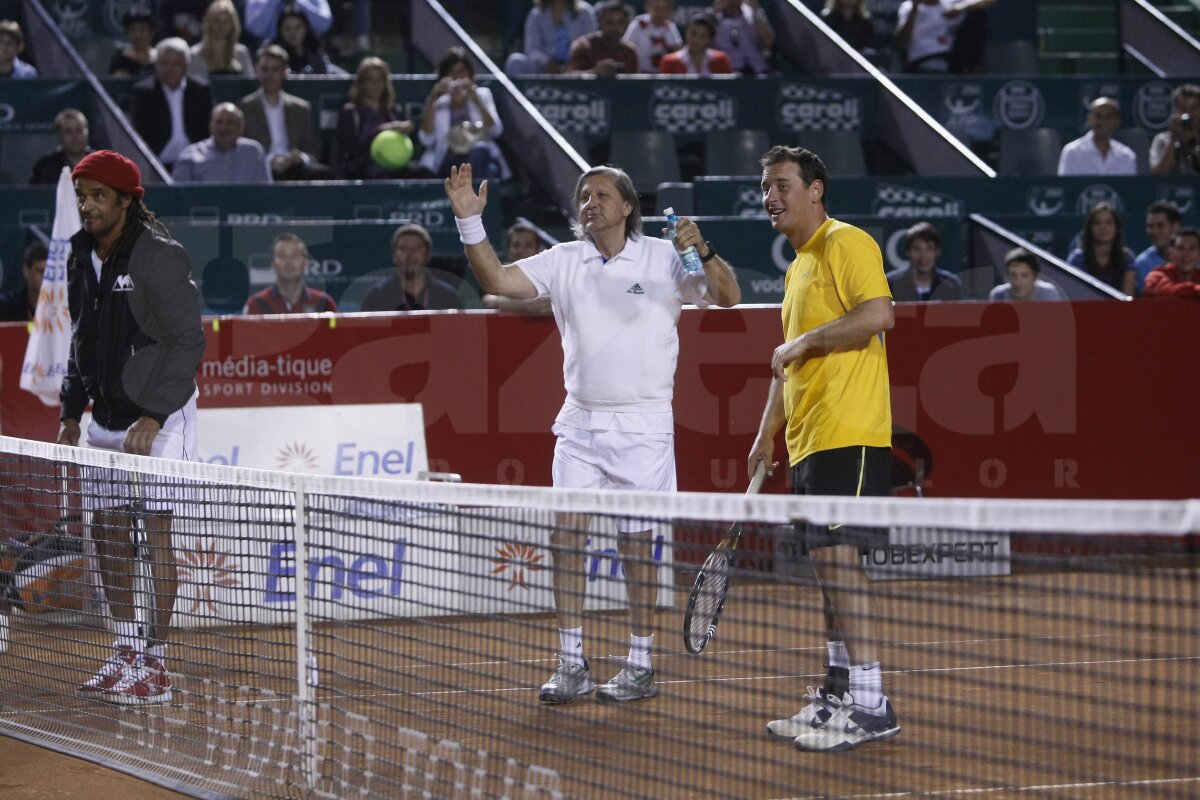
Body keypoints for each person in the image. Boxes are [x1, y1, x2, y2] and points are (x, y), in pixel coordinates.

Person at [445, 161, 741, 705]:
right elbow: (497, 281)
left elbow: (727, 296)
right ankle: (571, 661)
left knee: (637, 546)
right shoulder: (564, 259)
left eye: (602, 194)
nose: (590, 202)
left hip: (643, 425)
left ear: (627, 206)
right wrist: (470, 221)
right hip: (579, 421)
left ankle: (640, 663)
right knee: (566, 536)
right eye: (584, 195)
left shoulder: (665, 255)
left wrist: (703, 249)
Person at [746, 145, 898, 752]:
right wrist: (766, 432)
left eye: (781, 185)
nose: (770, 196)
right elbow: (787, 361)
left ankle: (871, 703)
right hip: (808, 437)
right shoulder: (798, 268)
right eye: (765, 187)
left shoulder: (845, 242)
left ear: (816, 190)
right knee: (825, 566)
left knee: (839, 561)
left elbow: (879, 314)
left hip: (849, 430)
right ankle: (837, 694)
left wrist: (805, 340)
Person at [58, 150, 206, 705]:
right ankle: (124, 650)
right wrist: (70, 412)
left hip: (160, 419)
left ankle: (156, 664)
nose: (88, 206)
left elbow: (187, 341)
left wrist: (155, 414)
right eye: (82, 196)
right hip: (105, 417)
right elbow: (80, 340)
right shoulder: (79, 257)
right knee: (109, 530)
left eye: (98, 195)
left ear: (126, 200)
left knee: (157, 532)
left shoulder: (159, 255)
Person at [238, 44, 333, 181]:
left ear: (284, 72)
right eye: (265, 69)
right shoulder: (245, 106)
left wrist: (299, 157)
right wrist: (270, 160)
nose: (269, 75)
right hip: (262, 166)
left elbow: (311, 148)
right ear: (257, 70)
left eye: (275, 70)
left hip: (294, 166)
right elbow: (242, 148)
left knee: (323, 174)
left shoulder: (301, 108)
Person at [416, 47, 509, 181]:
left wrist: (476, 100)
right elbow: (426, 139)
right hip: (449, 159)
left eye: (461, 72)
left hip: (477, 157)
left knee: (484, 159)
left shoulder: (482, 95)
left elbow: (496, 131)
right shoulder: (438, 101)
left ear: (469, 74)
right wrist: (432, 98)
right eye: (451, 73)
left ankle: (474, 194)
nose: (457, 78)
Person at [129, 37, 214, 169]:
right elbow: (140, 132)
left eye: (176, 64)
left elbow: (207, 130)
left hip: (196, 164)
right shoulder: (144, 92)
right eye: (164, 64)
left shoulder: (200, 90)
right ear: (156, 65)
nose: (170, 69)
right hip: (156, 165)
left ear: (186, 66)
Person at [335, 57, 418, 180]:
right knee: (379, 173)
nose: (376, 85)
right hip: (362, 166)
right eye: (370, 80)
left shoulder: (391, 111)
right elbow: (353, 148)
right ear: (362, 83)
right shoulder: (350, 112)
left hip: (394, 162)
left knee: (421, 171)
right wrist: (382, 129)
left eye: (379, 80)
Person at [360, 224, 464, 312]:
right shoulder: (376, 298)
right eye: (404, 248)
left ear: (428, 255)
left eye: (417, 248)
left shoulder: (448, 297)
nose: (411, 254)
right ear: (394, 256)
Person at [172, 103, 272, 183]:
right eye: (219, 122)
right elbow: (179, 196)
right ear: (210, 126)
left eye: (230, 122)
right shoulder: (190, 156)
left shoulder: (253, 153)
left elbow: (266, 193)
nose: (224, 128)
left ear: (240, 127)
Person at [243, 232, 337, 314]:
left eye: (295, 255)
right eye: (282, 255)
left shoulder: (324, 303)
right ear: (273, 264)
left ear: (305, 263)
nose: (289, 261)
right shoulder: (255, 305)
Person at [895, 0, 996, 73]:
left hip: (949, 60)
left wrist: (961, 8)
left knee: (976, 15)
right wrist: (914, 10)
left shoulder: (950, 5)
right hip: (920, 63)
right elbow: (901, 42)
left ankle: (973, 67)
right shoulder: (908, 7)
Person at [504, 0, 597, 76]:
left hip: (577, 68)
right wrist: (548, 63)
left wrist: (572, 64)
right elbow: (531, 49)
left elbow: (590, 44)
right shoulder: (535, 14)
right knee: (515, 61)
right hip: (544, 68)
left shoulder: (585, 12)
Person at [1065, 202, 1136, 295]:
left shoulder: (1126, 258)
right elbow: (1073, 295)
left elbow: (1127, 298)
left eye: (1108, 222)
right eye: (1097, 222)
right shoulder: (1077, 259)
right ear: (1090, 228)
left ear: (1116, 228)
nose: (1103, 227)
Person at [483, 221, 552, 314]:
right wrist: (526, 306)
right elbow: (489, 300)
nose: (521, 250)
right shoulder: (501, 275)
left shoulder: (550, 275)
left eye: (528, 245)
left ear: (539, 250)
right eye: (516, 245)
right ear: (509, 250)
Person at [1057, 97, 1137, 177]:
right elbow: (1066, 183)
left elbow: (1129, 184)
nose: (1102, 121)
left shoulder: (1126, 155)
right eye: (1098, 116)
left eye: (1108, 117)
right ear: (1089, 119)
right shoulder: (1072, 152)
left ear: (1117, 121)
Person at [885, 221, 962, 301]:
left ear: (937, 251)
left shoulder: (950, 284)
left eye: (929, 248)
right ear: (908, 252)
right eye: (917, 248)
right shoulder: (891, 283)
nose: (923, 255)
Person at [566, 0, 638, 77]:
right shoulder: (583, 47)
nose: (615, 27)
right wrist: (595, 72)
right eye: (609, 22)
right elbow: (569, 76)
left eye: (620, 22)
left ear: (626, 24)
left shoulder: (629, 51)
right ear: (600, 21)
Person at [267, 4, 342, 76]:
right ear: (280, 30)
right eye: (287, 28)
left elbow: (325, 76)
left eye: (297, 27)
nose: (292, 32)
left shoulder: (315, 50)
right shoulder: (274, 55)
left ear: (305, 29)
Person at [188, 0, 254, 78]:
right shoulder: (194, 54)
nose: (221, 25)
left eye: (226, 21)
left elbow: (249, 81)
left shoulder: (241, 52)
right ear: (209, 23)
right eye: (217, 20)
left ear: (233, 25)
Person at [30, 109, 94, 185]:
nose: (75, 136)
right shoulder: (45, 167)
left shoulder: (101, 163)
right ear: (59, 137)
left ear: (87, 132)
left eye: (79, 130)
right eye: (68, 131)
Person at [710, 0, 775, 75]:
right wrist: (713, 13)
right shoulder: (713, 17)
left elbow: (769, 42)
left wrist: (756, 11)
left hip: (758, 70)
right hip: (728, 72)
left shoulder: (752, 13)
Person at [1133, 201, 1183, 295]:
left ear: (1175, 227)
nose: (1154, 231)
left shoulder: (1194, 259)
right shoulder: (1142, 263)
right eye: (1150, 226)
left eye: (1160, 225)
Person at [1150, 83, 1200, 176]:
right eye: (1183, 109)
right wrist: (1173, 138)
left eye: (1193, 108)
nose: (1189, 113)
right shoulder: (1162, 140)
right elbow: (1158, 174)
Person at [659, 13, 733, 75]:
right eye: (693, 33)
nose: (695, 39)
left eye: (702, 36)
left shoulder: (721, 60)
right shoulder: (669, 62)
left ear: (709, 40)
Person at [625, 0, 682, 73]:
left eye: (665, 9)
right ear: (648, 7)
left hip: (663, 74)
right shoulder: (638, 24)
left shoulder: (670, 26)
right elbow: (626, 47)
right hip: (639, 73)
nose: (661, 13)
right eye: (657, 8)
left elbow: (678, 51)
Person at [988, 247, 1064, 301]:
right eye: (1013, 274)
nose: (1018, 281)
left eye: (1024, 275)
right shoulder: (998, 294)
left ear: (1035, 277)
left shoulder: (1048, 293)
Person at [1144, 228, 1200, 300]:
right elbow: (1165, 291)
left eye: (1192, 248)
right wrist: (1195, 289)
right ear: (1171, 253)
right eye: (1180, 248)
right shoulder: (1155, 276)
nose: (1186, 254)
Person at [245, 0, 333, 43]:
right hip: (272, 57)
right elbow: (254, 29)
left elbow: (325, 25)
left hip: (308, 53)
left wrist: (298, 2)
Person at [0, 241, 47, 321]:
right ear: (26, 271)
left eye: (50, 273)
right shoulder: (5, 307)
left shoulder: (63, 307)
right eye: (41, 271)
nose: (46, 277)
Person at [110, 7, 157, 77]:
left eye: (143, 30)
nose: (138, 35)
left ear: (152, 33)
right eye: (133, 30)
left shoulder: (161, 58)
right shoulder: (120, 59)